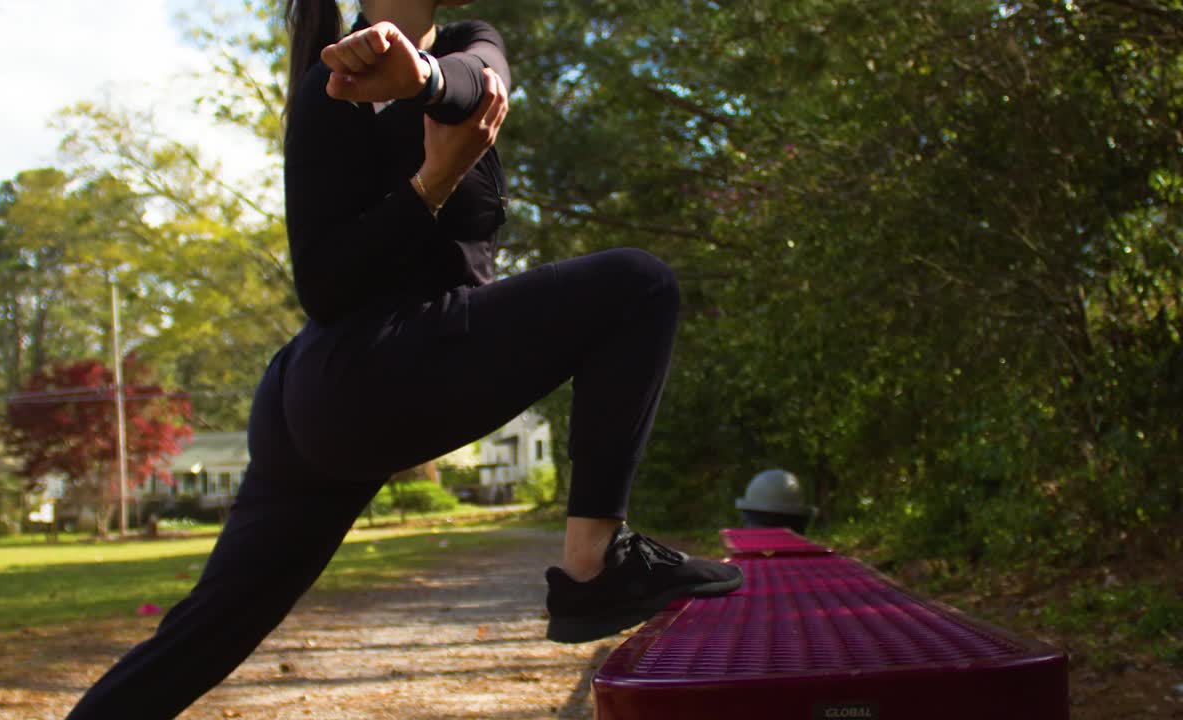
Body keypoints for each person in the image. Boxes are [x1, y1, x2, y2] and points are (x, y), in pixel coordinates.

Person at [65, 1, 741, 717]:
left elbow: (474, 83)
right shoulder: (326, 93)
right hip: (355, 378)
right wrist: (431, 185)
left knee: (209, 631)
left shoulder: (469, 43)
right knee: (638, 286)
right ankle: (593, 566)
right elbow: (321, 286)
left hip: (336, 394)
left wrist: (416, 76)